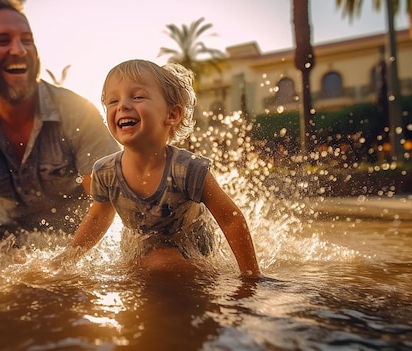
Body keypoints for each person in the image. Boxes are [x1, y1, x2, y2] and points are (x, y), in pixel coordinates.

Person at [0, 0, 119, 257]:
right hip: (7, 243)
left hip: (84, 245)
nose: (19, 50)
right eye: (2, 41)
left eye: (27, 39)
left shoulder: (78, 112)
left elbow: (106, 205)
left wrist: (64, 264)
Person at [53, 59, 260, 278]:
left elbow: (230, 218)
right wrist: (65, 260)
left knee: (162, 265)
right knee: (136, 275)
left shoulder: (189, 170)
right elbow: (97, 218)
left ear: (172, 115)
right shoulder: (106, 172)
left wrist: (251, 276)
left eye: (138, 96)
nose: (122, 105)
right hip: (139, 248)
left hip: (191, 250)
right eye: (112, 101)